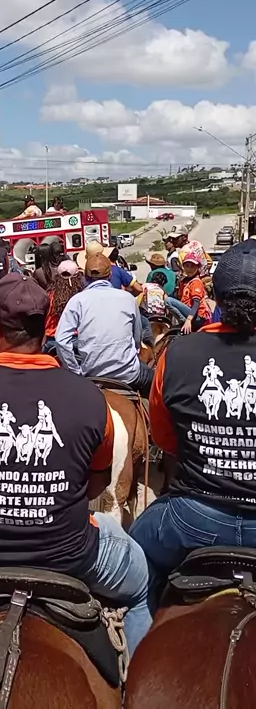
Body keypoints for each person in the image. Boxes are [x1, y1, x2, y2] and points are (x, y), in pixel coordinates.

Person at [0, 273, 151, 656]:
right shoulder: (90, 397)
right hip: (71, 555)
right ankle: (135, 675)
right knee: (140, 583)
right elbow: (94, 486)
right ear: (46, 330)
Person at [130, 238, 256, 612]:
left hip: (195, 514)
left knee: (135, 559)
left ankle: (136, 640)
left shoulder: (178, 353)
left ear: (215, 296)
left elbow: (167, 441)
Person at [56, 254, 153, 397]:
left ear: (85, 277)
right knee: (155, 382)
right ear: (110, 275)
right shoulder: (128, 298)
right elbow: (136, 337)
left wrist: (76, 371)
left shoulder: (77, 301)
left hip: (92, 375)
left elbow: (61, 340)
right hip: (128, 374)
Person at [44, 260, 85, 353]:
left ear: (57, 277)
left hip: (52, 340)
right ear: (78, 277)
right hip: (76, 339)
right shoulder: (82, 297)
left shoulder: (49, 296)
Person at [178, 252, 212, 334]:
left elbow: (196, 302)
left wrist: (188, 320)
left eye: (192, 266)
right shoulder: (183, 282)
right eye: (187, 266)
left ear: (197, 267)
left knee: (169, 301)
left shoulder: (196, 282)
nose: (189, 269)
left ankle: (184, 322)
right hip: (190, 311)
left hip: (197, 315)